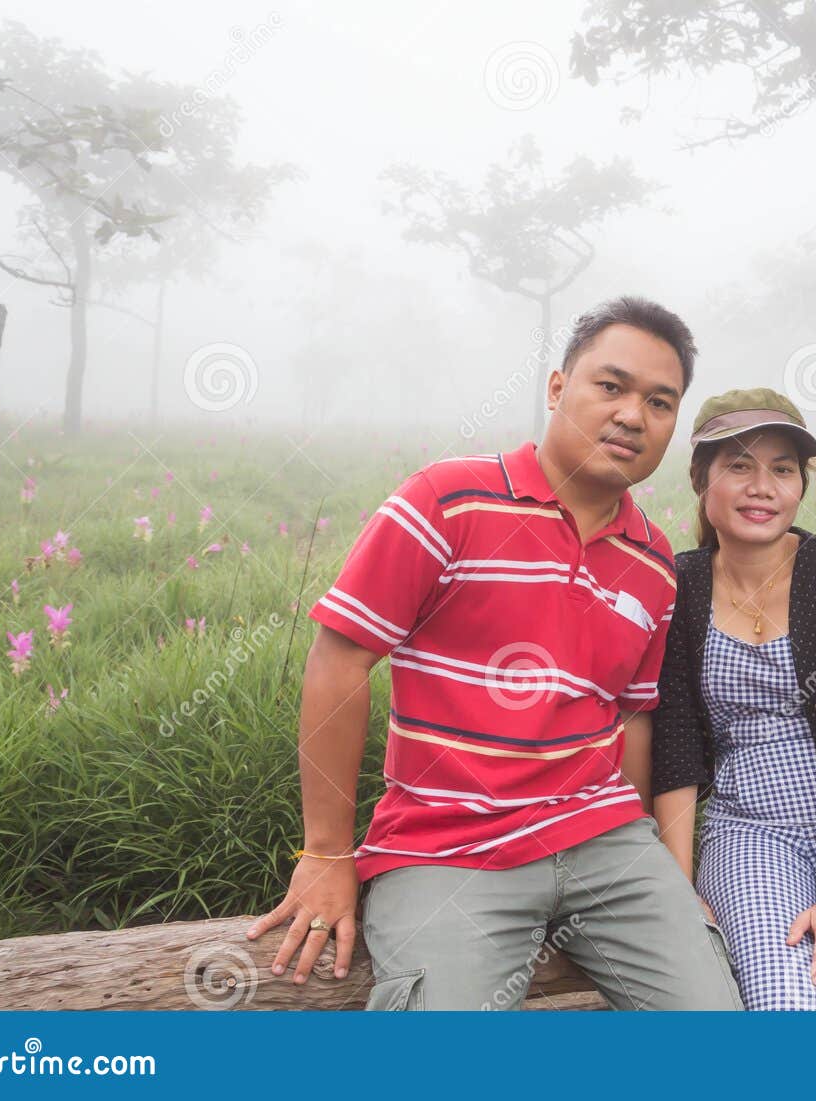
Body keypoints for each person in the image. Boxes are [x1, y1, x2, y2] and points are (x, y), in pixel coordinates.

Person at [247, 296, 743, 1011]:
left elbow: (631, 717)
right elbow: (339, 659)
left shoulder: (654, 561)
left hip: (605, 839)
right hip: (446, 849)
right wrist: (327, 853)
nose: (633, 415)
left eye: (660, 402)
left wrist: (661, 875)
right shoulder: (447, 501)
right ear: (556, 388)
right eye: (611, 386)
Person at [649, 387, 816, 1010]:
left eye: (782, 469)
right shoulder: (681, 585)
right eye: (739, 465)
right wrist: (679, 891)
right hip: (748, 832)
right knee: (786, 1009)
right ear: (701, 479)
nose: (761, 486)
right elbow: (678, 745)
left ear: (801, 484)